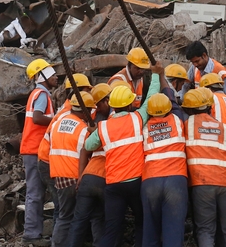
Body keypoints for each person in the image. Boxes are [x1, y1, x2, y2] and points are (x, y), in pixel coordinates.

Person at [85, 62, 167, 247]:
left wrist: (94, 131)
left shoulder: (103, 127)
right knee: (141, 222)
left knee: (111, 229)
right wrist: (155, 75)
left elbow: (89, 145)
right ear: (130, 103)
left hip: (114, 185)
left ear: (113, 105)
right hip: (136, 182)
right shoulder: (137, 119)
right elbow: (151, 97)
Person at [182, 89, 226, 247]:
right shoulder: (223, 128)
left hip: (203, 184)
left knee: (206, 230)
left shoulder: (187, 126)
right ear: (209, 107)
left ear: (189, 109)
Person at [67, 85, 112, 247]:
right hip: (105, 180)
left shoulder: (100, 130)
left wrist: (80, 177)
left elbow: (84, 151)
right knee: (105, 220)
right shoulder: (118, 131)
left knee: (79, 221)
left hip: (88, 178)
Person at [141, 93, 188, 247]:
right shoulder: (177, 120)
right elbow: (174, 104)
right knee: (173, 231)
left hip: (151, 181)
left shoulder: (144, 128)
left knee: (150, 230)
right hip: (176, 179)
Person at [49, 91, 96, 247]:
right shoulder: (83, 129)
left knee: (64, 215)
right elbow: (88, 151)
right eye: (89, 111)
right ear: (85, 110)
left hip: (58, 174)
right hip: (74, 175)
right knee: (71, 216)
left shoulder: (57, 123)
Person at [21, 59, 57, 246]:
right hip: (35, 150)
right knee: (35, 193)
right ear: (42, 75)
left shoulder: (37, 94)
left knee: (35, 193)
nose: (56, 76)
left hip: (33, 149)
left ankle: (34, 233)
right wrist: (56, 120)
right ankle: (32, 235)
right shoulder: (42, 94)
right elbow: (37, 118)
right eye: (52, 74)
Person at [185, 41, 226, 115]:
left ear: (204, 55)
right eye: (192, 62)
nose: (195, 64)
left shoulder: (220, 73)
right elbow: (184, 85)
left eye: (197, 61)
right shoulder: (194, 68)